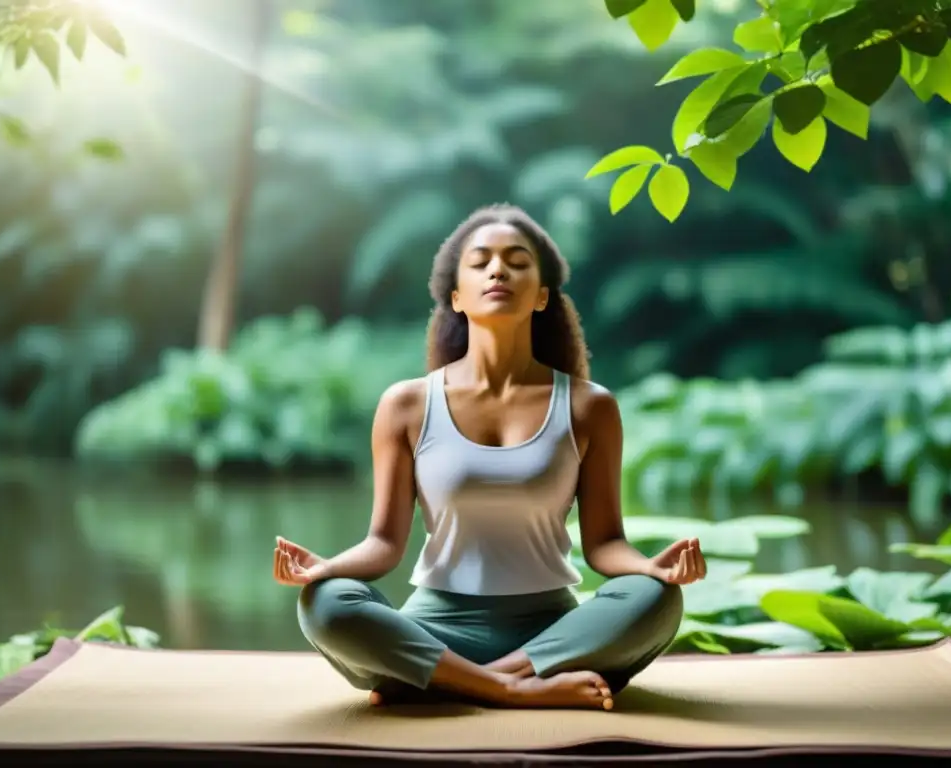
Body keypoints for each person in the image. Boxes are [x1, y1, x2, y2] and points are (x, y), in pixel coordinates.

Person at [272, 204, 707, 711]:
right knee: (325, 603)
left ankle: (449, 683)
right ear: (456, 296)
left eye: (517, 261)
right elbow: (384, 543)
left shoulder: (591, 407)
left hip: (551, 635)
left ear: (542, 294)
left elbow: (606, 543)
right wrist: (325, 568)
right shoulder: (407, 405)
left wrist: (651, 569)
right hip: (435, 631)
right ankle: (510, 689)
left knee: (654, 600)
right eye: (480, 262)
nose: (498, 270)